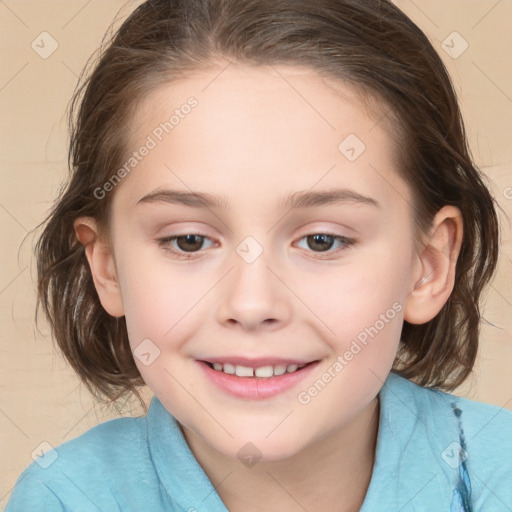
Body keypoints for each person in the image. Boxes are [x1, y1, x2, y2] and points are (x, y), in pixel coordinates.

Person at [6, 0, 511, 510]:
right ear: (108, 266)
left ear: (428, 265)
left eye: (322, 240)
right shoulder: (63, 497)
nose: (251, 304)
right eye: (189, 241)